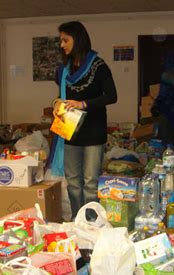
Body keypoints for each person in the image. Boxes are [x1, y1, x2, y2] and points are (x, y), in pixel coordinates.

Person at [53, 21, 117, 219]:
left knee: (90, 183)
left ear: (78, 39)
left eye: (65, 40)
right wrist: (57, 103)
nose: (62, 45)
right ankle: (76, 220)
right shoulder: (65, 69)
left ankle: (90, 222)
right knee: (72, 182)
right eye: (61, 40)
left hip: (93, 132)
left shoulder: (98, 66)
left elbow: (111, 96)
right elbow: (62, 95)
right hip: (71, 130)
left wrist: (83, 104)